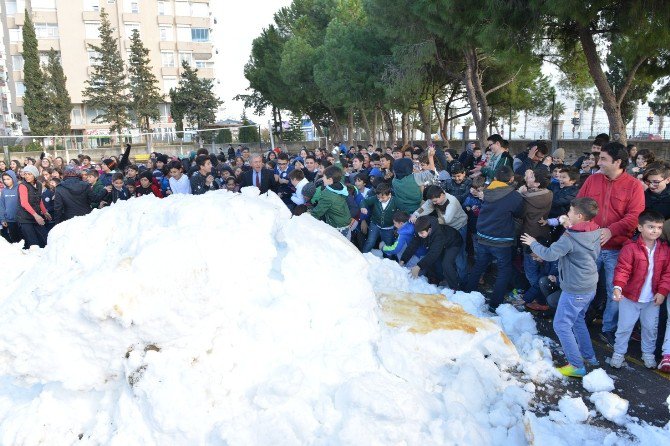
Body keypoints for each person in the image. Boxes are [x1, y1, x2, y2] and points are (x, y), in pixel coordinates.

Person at [520, 197, 601, 377]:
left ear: (579, 216)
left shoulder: (570, 237)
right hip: (589, 285)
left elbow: (549, 254)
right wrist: (569, 226)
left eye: (570, 212)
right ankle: (589, 356)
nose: (567, 214)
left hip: (575, 288)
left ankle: (576, 365)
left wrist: (532, 242)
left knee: (561, 325)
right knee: (578, 320)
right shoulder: (594, 230)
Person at [576, 142, 645, 346]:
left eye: (604, 159)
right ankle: (578, 323)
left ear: (618, 161)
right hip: (589, 246)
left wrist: (610, 230)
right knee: (582, 287)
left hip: (617, 249)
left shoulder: (633, 186)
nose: (599, 162)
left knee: (614, 291)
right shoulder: (592, 180)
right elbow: (579, 206)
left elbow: (635, 217)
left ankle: (609, 329)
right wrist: (588, 229)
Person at [610, 210, 670, 369]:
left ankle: (648, 354)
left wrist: (662, 291)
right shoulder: (630, 248)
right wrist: (618, 287)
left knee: (650, 329)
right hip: (630, 297)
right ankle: (618, 353)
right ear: (640, 227)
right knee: (624, 327)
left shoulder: (664, 249)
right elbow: (623, 269)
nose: (655, 231)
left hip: (652, 300)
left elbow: (667, 273)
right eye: (651, 227)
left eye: (658, 227)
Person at [465, 166, 524, 310]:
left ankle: (465, 294)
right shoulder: (514, 196)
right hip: (501, 240)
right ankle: (494, 304)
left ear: (495, 179)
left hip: (483, 235)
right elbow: (520, 213)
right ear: (511, 179)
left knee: (479, 265)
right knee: (504, 270)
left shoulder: (487, 191)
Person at [517, 168, 553, 310]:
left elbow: (520, 213)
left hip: (530, 236)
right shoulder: (549, 193)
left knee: (531, 271)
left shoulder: (526, 197)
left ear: (537, 183)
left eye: (531, 176)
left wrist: (520, 193)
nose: (527, 178)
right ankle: (540, 295)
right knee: (541, 268)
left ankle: (539, 298)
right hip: (544, 233)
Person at [399, 215, 462, 290]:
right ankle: (437, 279)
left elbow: (433, 254)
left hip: (453, 242)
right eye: (418, 233)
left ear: (429, 229)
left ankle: (455, 287)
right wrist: (403, 260)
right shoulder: (420, 228)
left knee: (446, 264)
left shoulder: (438, 235)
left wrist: (418, 266)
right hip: (440, 244)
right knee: (433, 262)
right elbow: (412, 245)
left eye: (421, 233)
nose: (419, 235)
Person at [309, 166, 352, 239]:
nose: (322, 178)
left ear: (330, 180)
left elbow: (318, 212)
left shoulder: (328, 195)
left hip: (338, 228)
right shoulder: (340, 186)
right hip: (345, 223)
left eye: (324, 177)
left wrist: (307, 217)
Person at [16, 165, 51, 248]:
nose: (27, 176)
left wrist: (45, 211)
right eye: (25, 174)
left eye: (29, 174)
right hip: (25, 218)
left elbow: (39, 200)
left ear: (34, 175)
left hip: (36, 216)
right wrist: (36, 216)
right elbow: (24, 203)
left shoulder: (38, 184)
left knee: (45, 239)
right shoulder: (23, 186)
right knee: (33, 243)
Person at [360, 183, 398, 253]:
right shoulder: (375, 199)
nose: (380, 200)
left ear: (389, 195)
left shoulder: (395, 201)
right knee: (370, 242)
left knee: (388, 245)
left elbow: (402, 211)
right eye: (378, 197)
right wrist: (363, 207)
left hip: (388, 228)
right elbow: (364, 201)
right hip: (375, 225)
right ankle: (364, 255)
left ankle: (388, 261)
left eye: (383, 198)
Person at [0, 170, 21, 243]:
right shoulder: (4, 191)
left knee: (23, 240)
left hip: (21, 220)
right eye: (4, 179)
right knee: (14, 240)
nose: (6, 181)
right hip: (9, 220)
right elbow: (2, 206)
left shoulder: (20, 188)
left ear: (13, 178)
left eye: (8, 179)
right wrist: (2, 219)